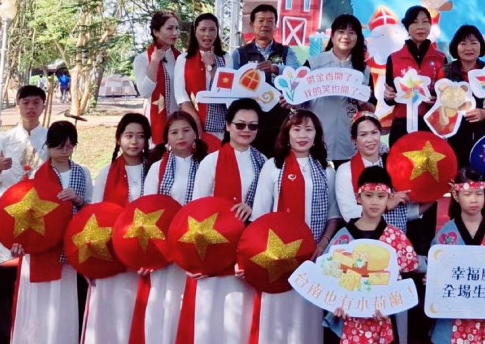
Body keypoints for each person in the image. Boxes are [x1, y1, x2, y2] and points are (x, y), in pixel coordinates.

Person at [178, 100, 265, 344]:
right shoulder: (211, 161)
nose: (246, 130)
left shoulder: (263, 161)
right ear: (227, 125)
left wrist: (252, 208)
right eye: (240, 125)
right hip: (214, 248)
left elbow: (267, 206)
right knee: (211, 315)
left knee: (241, 318)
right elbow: (196, 209)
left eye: (252, 126)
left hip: (247, 251)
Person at [251, 110, 341, 344]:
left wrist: (322, 244)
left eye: (308, 130)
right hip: (276, 255)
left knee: (307, 316)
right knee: (277, 315)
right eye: (297, 129)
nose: (302, 135)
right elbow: (260, 214)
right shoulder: (272, 166)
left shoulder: (326, 170)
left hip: (313, 256)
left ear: (316, 135)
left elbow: (333, 214)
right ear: (287, 134)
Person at [0, 85, 47, 344]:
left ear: (43, 106)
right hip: (3, 216)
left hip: (37, 218)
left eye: (36, 102)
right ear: (17, 105)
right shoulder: (3, 140)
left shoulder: (50, 139)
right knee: (1, 283)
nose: (31, 107)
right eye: (25, 102)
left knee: (33, 283)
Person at [11, 120, 92, 344]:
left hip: (68, 249)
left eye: (70, 146)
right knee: (37, 305)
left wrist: (77, 199)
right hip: (40, 249)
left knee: (63, 304)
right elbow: (23, 212)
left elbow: (92, 210)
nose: (64, 151)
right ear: (49, 146)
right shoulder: (37, 175)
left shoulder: (82, 173)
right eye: (59, 146)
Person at [326, 166, 419, 344]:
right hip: (349, 319)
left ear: (389, 198)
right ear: (358, 198)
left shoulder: (396, 237)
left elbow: (409, 273)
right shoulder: (343, 238)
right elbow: (329, 276)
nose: (374, 202)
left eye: (381, 196)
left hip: (386, 318)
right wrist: (335, 304)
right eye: (368, 195)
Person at [83, 113, 151, 344]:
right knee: (110, 311)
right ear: (118, 139)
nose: (134, 142)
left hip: (144, 251)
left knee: (138, 310)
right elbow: (95, 215)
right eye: (129, 135)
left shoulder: (154, 170)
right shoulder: (107, 173)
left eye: (140, 136)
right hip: (110, 252)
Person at [142, 112, 208, 344]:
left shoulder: (207, 165)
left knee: (191, 300)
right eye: (174, 132)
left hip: (197, 242)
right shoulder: (157, 168)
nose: (181, 136)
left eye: (186, 130)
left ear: (196, 134)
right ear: (166, 138)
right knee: (164, 300)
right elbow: (147, 208)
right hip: (164, 245)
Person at [431, 168, 485, 344]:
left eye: (479, 193)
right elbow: (436, 270)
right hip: (454, 312)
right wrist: (432, 277)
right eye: (467, 194)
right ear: (456, 195)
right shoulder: (446, 235)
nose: (474, 199)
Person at [444, 25, 485, 219]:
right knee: (459, 186)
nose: (468, 48)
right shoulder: (446, 71)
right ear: (456, 47)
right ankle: (456, 229)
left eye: (473, 42)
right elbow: (439, 105)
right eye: (463, 43)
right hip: (457, 138)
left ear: (481, 46)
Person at [304, 14, 372, 168]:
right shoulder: (314, 63)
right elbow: (299, 99)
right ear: (332, 35)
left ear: (358, 38)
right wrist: (291, 101)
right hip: (317, 141)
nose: (346, 36)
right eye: (341, 31)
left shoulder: (363, 70)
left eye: (352, 32)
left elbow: (371, 108)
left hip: (348, 144)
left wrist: (362, 101)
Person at [231, 4, 300, 156]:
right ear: (252, 24)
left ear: (276, 25)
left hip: (279, 120)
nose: (265, 25)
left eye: (270, 21)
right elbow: (230, 85)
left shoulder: (286, 51)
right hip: (249, 123)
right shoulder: (239, 53)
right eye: (261, 20)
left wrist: (276, 68)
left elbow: (297, 75)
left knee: (277, 162)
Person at [383, 5, 447, 145]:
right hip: (402, 124)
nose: (421, 27)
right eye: (415, 22)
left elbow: (445, 95)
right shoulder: (394, 58)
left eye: (425, 22)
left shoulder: (441, 59)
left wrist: (438, 100)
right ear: (407, 26)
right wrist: (388, 96)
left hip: (431, 124)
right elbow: (390, 98)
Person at [175, 12, 231, 142]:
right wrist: (195, 120)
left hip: (218, 125)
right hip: (190, 122)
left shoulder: (226, 58)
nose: (207, 34)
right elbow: (181, 95)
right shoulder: (183, 59)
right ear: (195, 32)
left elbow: (226, 90)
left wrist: (211, 66)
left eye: (212, 30)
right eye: (203, 29)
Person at [134, 10, 182, 143]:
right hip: (155, 121)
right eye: (170, 28)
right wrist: (154, 62)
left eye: (177, 28)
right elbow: (145, 92)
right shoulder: (142, 59)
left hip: (179, 122)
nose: (175, 33)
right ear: (156, 32)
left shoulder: (181, 58)